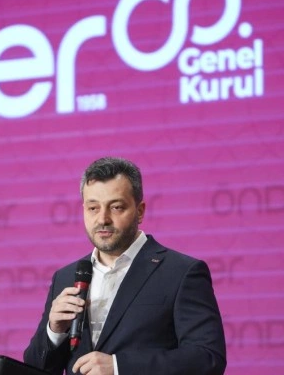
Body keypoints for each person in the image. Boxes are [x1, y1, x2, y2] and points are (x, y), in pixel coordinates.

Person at [24, 157, 226, 375]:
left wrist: (119, 367)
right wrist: (54, 332)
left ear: (140, 211)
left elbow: (207, 359)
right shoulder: (66, 277)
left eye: (116, 207)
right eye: (93, 208)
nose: (103, 219)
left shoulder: (180, 272)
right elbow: (34, 369)